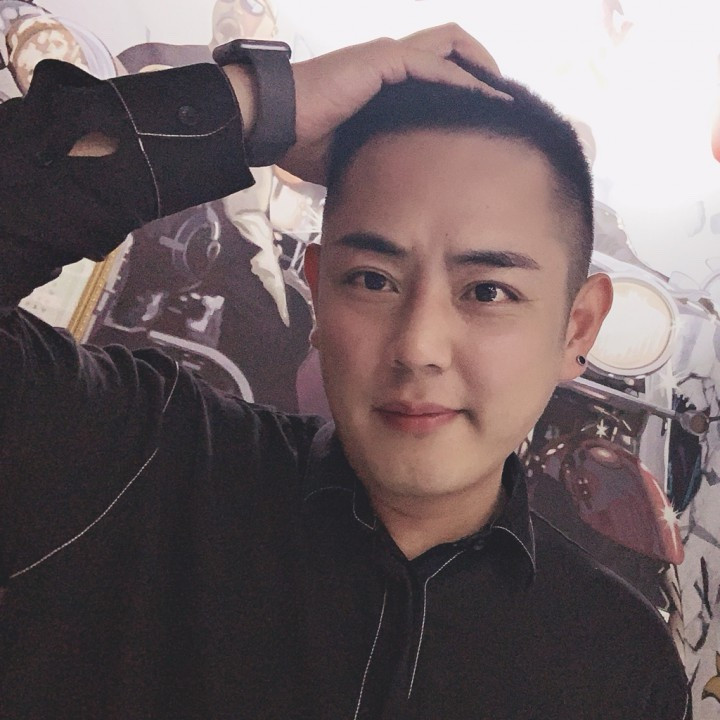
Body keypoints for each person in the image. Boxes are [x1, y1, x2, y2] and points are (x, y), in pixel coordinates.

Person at [0, 24, 688, 719]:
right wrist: (264, 103)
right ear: (318, 291)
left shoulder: (622, 667)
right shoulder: (137, 463)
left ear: (577, 328)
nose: (418, 346)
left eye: (487, 291)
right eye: (372, 279)